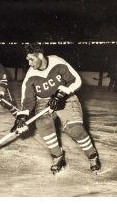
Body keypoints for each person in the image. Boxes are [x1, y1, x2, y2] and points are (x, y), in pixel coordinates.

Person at [11, 43, 101, 175]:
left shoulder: (58, 63)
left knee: (74, 129)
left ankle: (92, 155)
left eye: (32, 59)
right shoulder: (30, 76)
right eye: (28, 60)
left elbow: (76, 80)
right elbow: (28, 100)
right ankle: (58, 156)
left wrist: (61, 94)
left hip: (66, 97)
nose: (29, 63)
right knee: (42, 123)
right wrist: (22, 116)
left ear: (40, 56)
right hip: (44, 101)